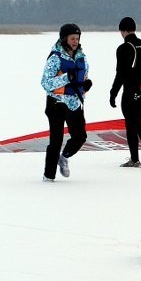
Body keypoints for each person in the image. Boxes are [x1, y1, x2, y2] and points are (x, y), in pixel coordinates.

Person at [40, 23, 92, 181]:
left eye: (77, 38)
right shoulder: (55, 58)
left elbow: (82, 78)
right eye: (72, 38)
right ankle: (48, 177)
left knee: (80, 137)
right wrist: (65, 78)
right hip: (56, 104)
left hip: (74, 103)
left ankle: (64, 157)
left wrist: (86, 85)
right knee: (55, 141)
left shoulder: (81, 57)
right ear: (64, 39)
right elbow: (45, 83)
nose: (75, 41)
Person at [109, 16, 141, 167]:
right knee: (136, 121)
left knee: (131, 123)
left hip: (130, 91)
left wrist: (113, 93)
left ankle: (134, 160)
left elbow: (120, 74)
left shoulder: (124, 48)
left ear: (122, 31)